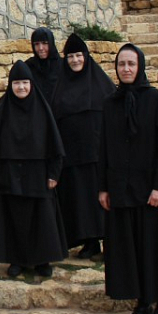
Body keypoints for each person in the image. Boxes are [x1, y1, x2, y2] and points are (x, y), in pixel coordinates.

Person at [99, 43, 158, 314]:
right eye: (121, 64)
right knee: (131, 248)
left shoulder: (156, 100)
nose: (126, 69)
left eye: (131, 64)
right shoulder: (110, 103)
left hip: (152, 191)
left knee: (156, 247)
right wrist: (104, 188)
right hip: (122, 189)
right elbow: (103, 147)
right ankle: (141, 303)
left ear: (140, 66)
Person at [0, 61, 68, 279]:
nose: (21, 87)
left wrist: (53, 174)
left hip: (38, 175)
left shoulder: (42, 109)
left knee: (41, 217)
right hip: (8, 175)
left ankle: (43, 260)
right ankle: (16, 259)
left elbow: (55, 147)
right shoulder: (1, 110)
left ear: (31, 84)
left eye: (25, 83)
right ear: (10, 85)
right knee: (13, 217)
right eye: (17, 83)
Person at [51, 34, 115, 261]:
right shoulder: (60, 86)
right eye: (70, 56)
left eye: (79, 55)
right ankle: (90, 242)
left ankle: (111, 242)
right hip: (72, 157)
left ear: (86, 57)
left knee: (102, 199)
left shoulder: (103, 85)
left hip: (98, 154)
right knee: (80, 201)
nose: (75, 60)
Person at [26, 27, 62, 102]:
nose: (40, 48)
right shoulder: (29, 66)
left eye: (45, 43)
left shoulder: (63, 66)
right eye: (36, 44)